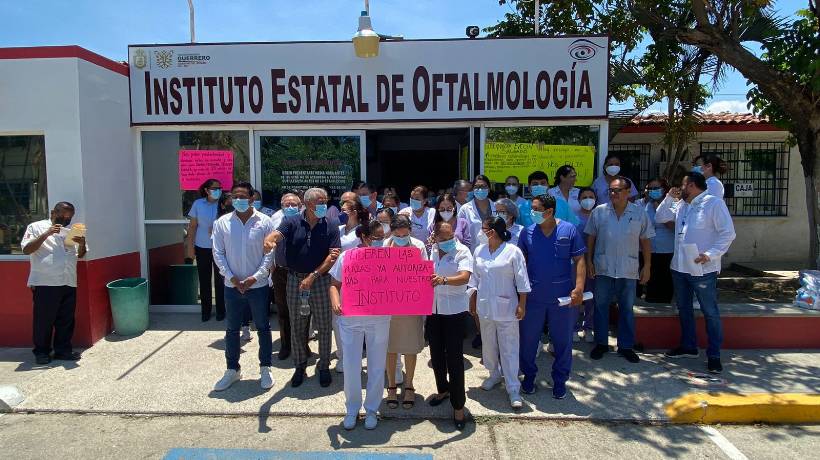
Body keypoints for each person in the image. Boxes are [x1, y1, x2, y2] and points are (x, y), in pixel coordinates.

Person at [656, 172, 736, 373]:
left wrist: (711, 254)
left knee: (710, 312)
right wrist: (668, 198)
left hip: (703, 269)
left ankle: (714, 355)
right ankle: (688, 346)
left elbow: (728, 233)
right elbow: (660, 217)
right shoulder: (683, 204)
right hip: (680, 266)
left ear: (691, 185)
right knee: (684, 308)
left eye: (681, 185)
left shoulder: (713, 204)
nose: (679, 189)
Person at [264, 187, 341, 388]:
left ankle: (323, 366)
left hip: (321, 280)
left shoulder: (331, 224)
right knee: (298, 326)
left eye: (325, 201)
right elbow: (277, 235)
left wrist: (314, 275)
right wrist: (269, 240)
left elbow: (334, 255)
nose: (324, 205)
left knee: (324, 326)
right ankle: (300, 366)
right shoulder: (291, 221)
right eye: (320, 202)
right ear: (307, 204)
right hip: (295, 281)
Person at [517, 195, 586, 399]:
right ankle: (528, 378)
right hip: (534, 297)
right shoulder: (527, 233)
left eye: (536, 209)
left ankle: (560, 382)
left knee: (562, 342)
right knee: (528, 341)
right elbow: (520, 265)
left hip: (562, 298)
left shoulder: (568, 230)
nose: (532, 213)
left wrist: (579, 288)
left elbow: (580, 259)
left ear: (549, 211)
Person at [211, 183, 276, 392]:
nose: (238, 199)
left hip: (257, 286)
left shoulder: (265, 222)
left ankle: (265, 368)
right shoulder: (222, 223)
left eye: (242, 196)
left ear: (251, 198)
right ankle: (232, 369)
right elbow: (218, 253)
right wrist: (231, 277)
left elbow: (269, 254)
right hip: (231, 286)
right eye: (234, 196)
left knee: (263, 328)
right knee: (232, 329)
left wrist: (254, 277)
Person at [328, 220, 390, 430]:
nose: (380, 241)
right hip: (351, 319)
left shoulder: (391, 258)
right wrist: (335, 301)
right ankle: (352, 409)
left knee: (376, 366)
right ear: (364, 237)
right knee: (351, 366)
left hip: (379, 318)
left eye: (383, 237)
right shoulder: (348, 256)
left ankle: (372, 409)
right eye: (376, 237)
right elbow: (335, 285)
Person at [585, 176, 654, 363]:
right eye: (611, 190)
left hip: (628, 269)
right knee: (600, 307)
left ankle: (626, 346)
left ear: (628, 192)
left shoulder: (639, 213)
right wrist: (589, 261)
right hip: (603, 268)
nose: (613, 193)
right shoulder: (599, 212)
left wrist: (647, 266)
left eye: (618, 190)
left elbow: (646, 241)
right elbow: (590, 238)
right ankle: (601, 344)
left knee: (626, 309)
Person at [469, 216, 531, 409]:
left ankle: (513, 387)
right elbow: (475, 279)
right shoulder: (479, 251)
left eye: (484, 228)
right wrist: (471, 299)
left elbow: (522, 280)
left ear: (492, 231)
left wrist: (522, 304)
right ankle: (493, 374)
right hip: (485, 305)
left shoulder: (513, 251)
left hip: (507, 306)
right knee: (488, 343)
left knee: (509, 347)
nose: (481, 232)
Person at [22, 202, 87, 364]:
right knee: (44, 320)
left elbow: (81, 255)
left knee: (66, 320)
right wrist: (47, 233)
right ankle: (42, 352)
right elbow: (26, 249)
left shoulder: (70, 231)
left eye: (69, 217)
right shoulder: (35, 227)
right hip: (46, 283)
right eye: (62, 216)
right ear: (53, 212)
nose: (66, 220)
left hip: (68, 281)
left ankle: (63, 351)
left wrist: (82, 244)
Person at [427, 220, 473, 429]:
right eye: (443, 238)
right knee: (436, 356)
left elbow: (464, 277)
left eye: (450, 237)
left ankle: (458, 406)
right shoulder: (432, 251)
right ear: (435, 237)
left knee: (454, 359)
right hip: (434, 311)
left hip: (454, 311)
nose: (447, 241)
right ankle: (443, 390)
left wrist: (443, 280)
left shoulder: (462, 251)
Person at [384, 214, 428, 410]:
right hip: (388, 304)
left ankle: (409, 384)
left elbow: (425, 275)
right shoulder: (384, 246)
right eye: (397, 234)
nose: (401, 238)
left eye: (405, 234)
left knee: (410, 346)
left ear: (410, 230)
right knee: (390, 347)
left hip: (411, 304)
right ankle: (392, 385)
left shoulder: (418, 246)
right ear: (391, 231)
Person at [458, 176, 496, 349]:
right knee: (475, 295)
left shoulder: (497, 207)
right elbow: (461, 233)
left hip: (496, 256)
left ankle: (494, 331)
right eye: (477, 187)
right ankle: (481, 333)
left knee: (493, 294)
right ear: (473, 189)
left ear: (489, 188)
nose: (480, 189)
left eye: (484, 186)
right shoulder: (466, 209)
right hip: (474, 258)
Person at [269, 193, 302, 360]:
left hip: (300, 272)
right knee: (283, 310)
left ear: (300, 205)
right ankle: (285, 345)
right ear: (281, 205)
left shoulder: (305, 220)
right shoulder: (274, 219)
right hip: (280, 271)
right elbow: (268, 243)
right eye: (286, 204)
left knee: (303, 311)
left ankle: (302, 346)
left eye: (293, 204)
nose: (290, 207)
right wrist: (271, 266)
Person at [187, 178, 225, 322]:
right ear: (206, 190)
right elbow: (192, 227)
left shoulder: (223, 204)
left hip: (220, 247)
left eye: (219, 188)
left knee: (221, 280)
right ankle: (206, 311)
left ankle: (221, 310)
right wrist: (190, 248)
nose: (218, 191)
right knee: (204, 280)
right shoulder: (198, 204)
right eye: (214, 188)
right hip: (202, 246)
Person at [641, 178, 676, 303]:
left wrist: (659, 209)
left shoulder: (673, 204)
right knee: (651, 277)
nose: (652, 191)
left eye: (656, 188)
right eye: (650, 189)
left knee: (665, 276)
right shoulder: (645, 204)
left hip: (666, 248)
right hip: (648, 248)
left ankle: (664, 300)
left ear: (664, 189)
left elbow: (672, 226)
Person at [574, 187, 598, 343]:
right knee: (576, 295)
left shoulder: (600, 216)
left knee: (592, 297)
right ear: (579, 200)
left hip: (595, 262)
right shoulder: (574, 218)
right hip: (576, 262)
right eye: (584, 197)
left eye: (591, 196)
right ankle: (574, 328)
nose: (588, 199)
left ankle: (589, 327)